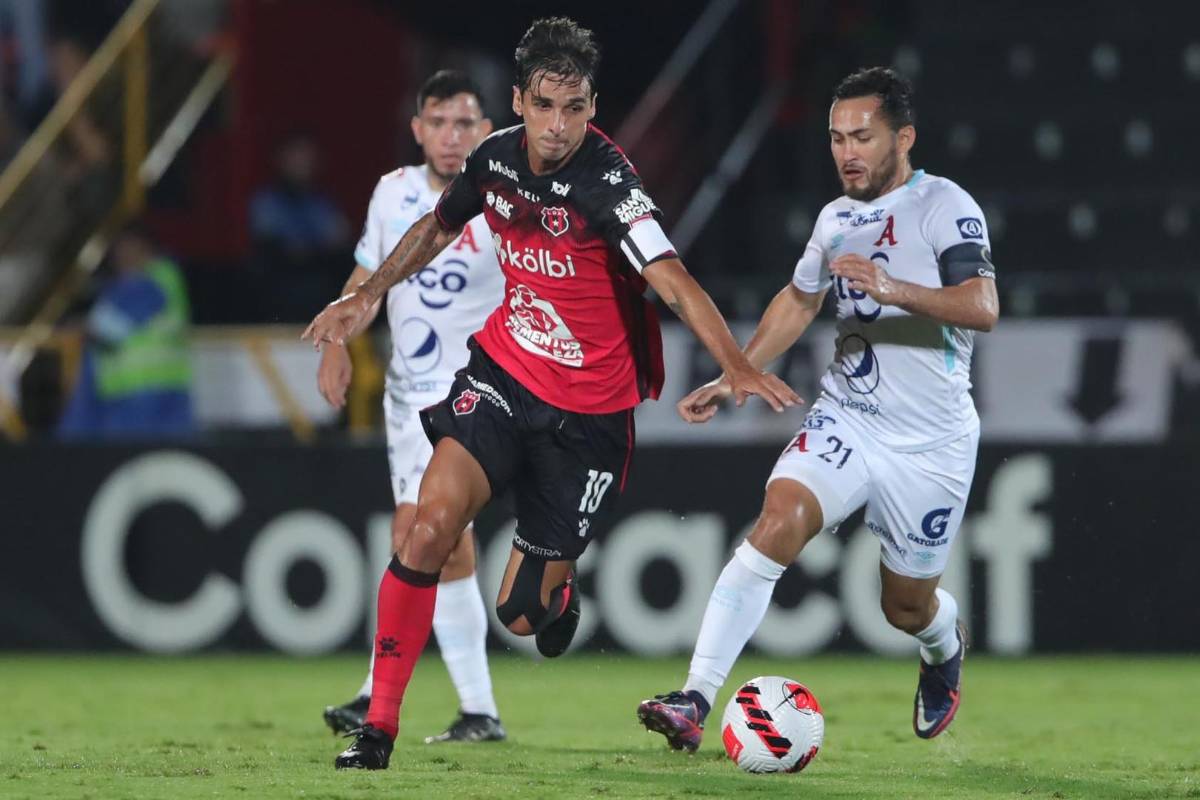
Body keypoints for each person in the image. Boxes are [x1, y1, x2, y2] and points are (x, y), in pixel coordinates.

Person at [303, 17, 798, 770]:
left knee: (522, 615)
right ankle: (378, 729)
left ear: (592, 107)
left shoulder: (609, 183)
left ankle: (557, 596)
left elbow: (670, 277)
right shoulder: (494, 159)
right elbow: (437, 226)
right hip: (503, 375)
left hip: (589, 417)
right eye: (543, 106)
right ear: (518, 102)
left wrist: (733, 362)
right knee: (428, 530)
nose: (558, 125)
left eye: (573, 108)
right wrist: (366, 295)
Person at [637, 67, 999, 750]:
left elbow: (982, 306)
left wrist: (894, 288)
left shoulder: (945, 205)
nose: (847, 153)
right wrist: (739, 370)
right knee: (778, 519)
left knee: (905, 606)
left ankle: (942, 643)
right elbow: (802, 298)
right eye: (836, 138)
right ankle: (694, 700)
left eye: (863, 137)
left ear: (904, 138)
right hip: (849, 416)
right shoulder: (836, 219)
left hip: (932, 443)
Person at [318, 70, 507, 745]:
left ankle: (390, 695)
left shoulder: (503, 199)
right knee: (429, 543)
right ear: (418, 129)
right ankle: (474, 710)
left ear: (486, 131)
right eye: (440, 123)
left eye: (465, 124)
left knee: (426, 534)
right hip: (407, 398)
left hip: (480, 398)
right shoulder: (392, 192)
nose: (452, 137)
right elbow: (368, 278)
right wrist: (338, 340)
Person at [58, 222, 194, 438]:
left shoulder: (147, 281)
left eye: (123, 249)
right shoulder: (162, 279)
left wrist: (79, 326)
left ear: (142, 247)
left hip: (139, 393)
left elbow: (110, 327)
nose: (118, 257)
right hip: (159, 389)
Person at [249, 131, 349, 321]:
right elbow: (274, 249)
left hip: (320, 288)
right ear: (281, 160)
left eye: (306, 158)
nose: (301, 164)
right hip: (280, 289)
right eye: (296, 157)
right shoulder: (267, 201)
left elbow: (339, 241)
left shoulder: (321, 203)